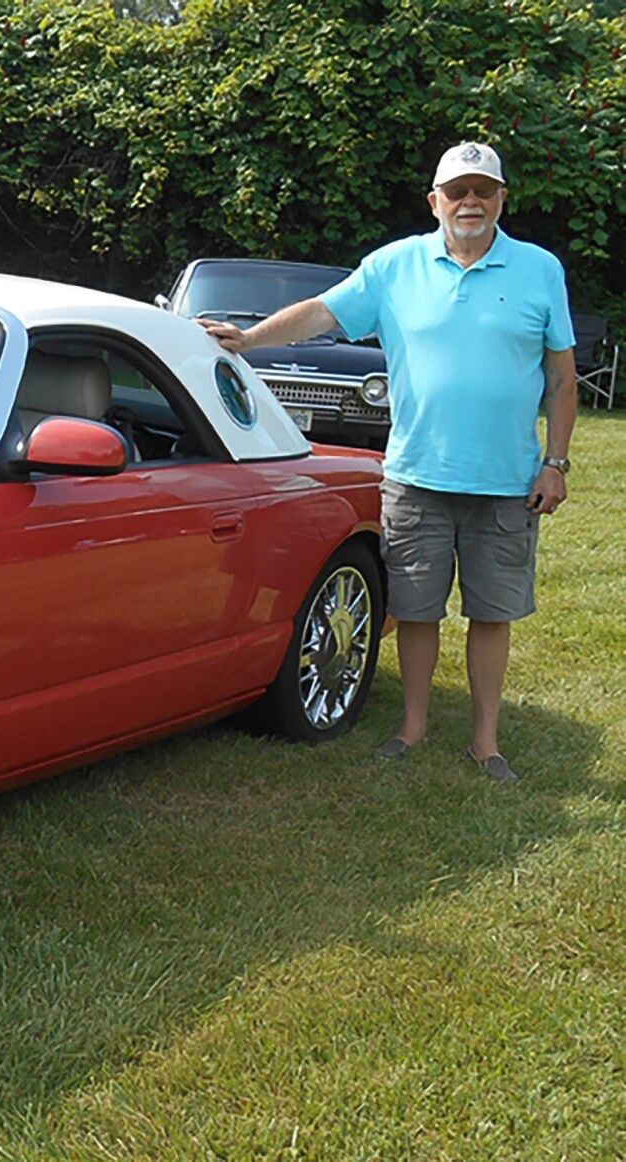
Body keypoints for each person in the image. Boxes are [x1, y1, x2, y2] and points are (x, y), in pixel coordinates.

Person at [202, 142, 577, 781]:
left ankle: (486, 743)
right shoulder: (395, 266)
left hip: (508, 482)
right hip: (416, 476)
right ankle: (413, 727)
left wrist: (556, 463)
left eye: (483, 190)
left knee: (492, 614)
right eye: (457, 191)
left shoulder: (540, 271)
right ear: (435, 202)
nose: (470, 202)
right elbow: (323, 312)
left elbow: (563, 379)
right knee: (416, 608)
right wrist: (252, 337)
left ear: (502, 200)